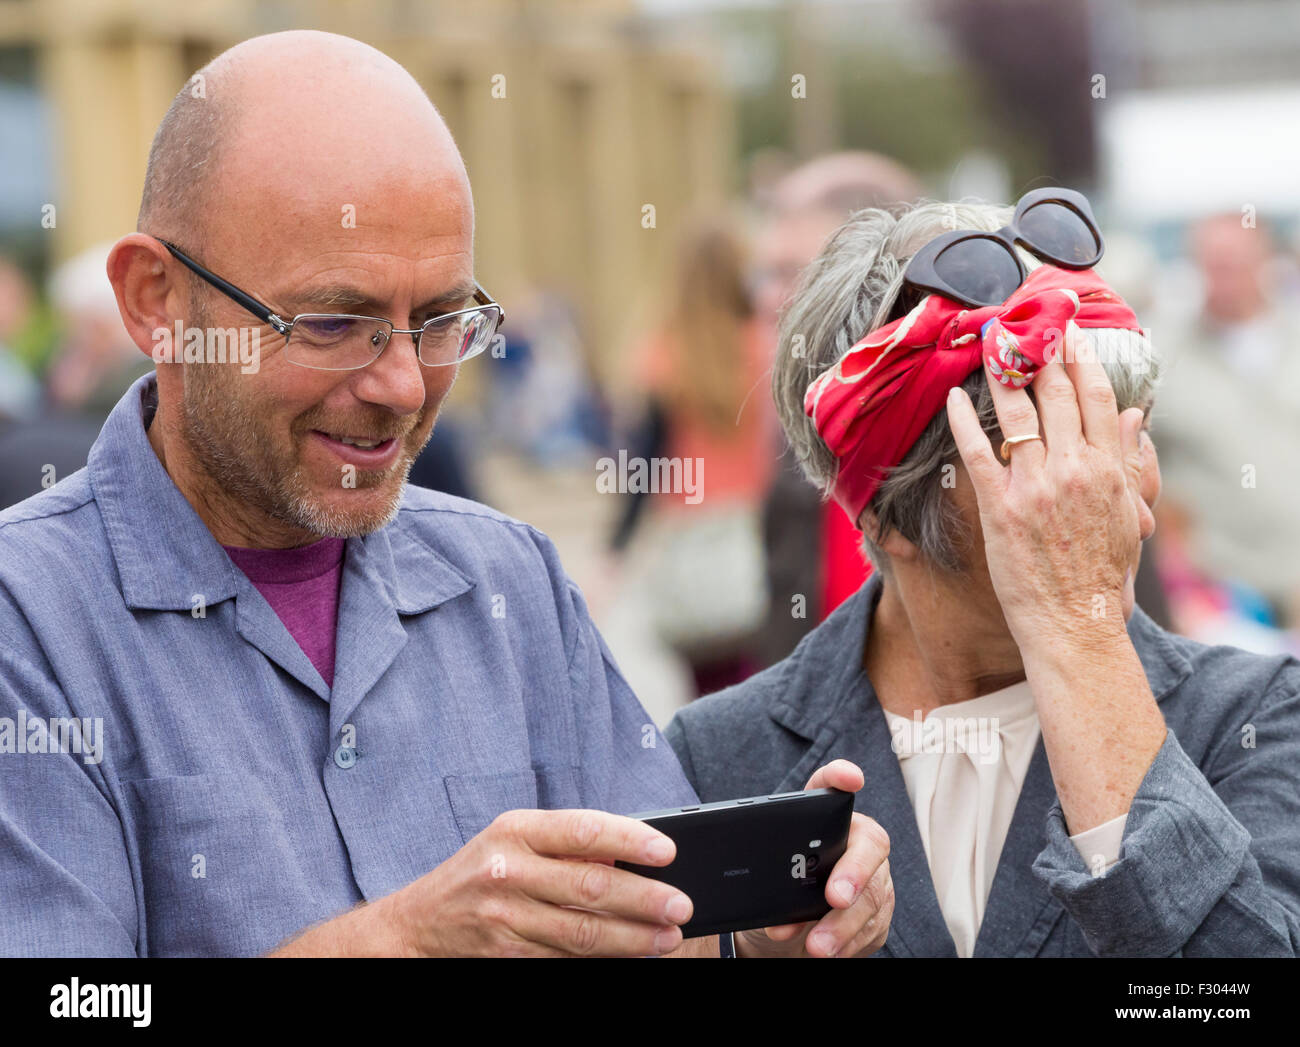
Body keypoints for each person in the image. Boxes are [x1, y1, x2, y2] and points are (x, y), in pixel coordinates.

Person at [0, 31, 890, 959]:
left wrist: (756, 936)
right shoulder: (29, 620)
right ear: (155, 300)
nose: (404, 386)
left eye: (440, 322)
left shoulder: (509, 579)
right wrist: (405, 942)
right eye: (334, 322)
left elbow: (657, 924)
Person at [667, 195, 1300, 956]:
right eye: (1045, 447)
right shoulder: (719, 757)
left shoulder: (1253, 717)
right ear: (888, 517)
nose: (1118, 490)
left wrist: (1080, 636)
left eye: (1128, 427)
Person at [748, 152, 921, 668]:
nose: (766, 300)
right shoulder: (804, 428)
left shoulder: (970, 439)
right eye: (763, 274)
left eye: (789, 273)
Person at [609, 214, 776, 697]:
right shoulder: (765, 347)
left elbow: (645, 461)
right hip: (754, 531)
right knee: (758, 676)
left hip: (689, 541)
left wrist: (615, 551)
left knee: (707, 687)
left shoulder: (662, 353)